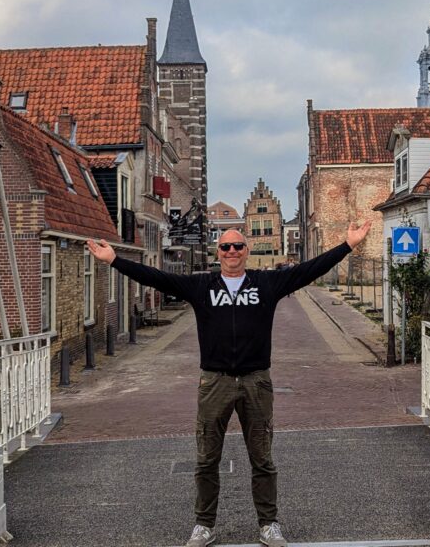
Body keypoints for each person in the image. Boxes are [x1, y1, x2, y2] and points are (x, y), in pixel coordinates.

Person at [87, 217, 372, 547]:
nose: (232, 251)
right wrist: (115, 261)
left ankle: (268, 524)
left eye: (238, 246)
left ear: (247, 252)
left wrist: (347, 246)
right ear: (217, 252)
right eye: (226, 246)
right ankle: (204, 525)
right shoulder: (201, 286)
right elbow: (157, 277)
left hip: (256, 382)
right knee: (207, 458)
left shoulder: (267, 284)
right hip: (215, 382)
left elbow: (308, 270)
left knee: (262, 459)